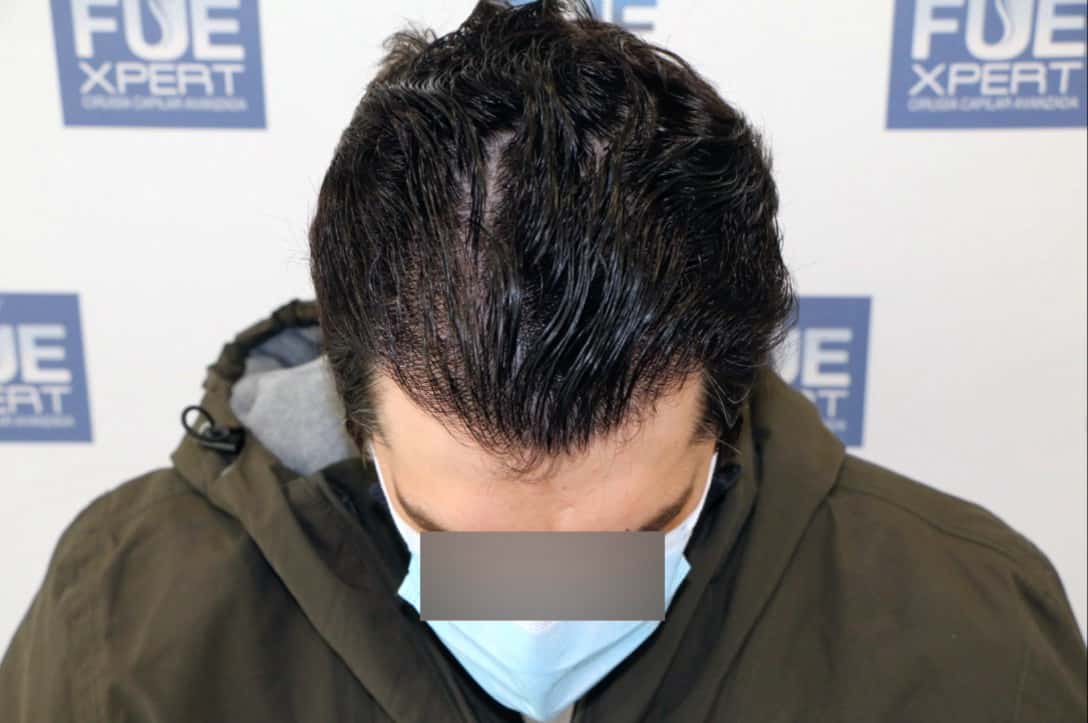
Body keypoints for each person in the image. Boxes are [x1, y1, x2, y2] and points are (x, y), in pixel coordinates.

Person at [2, 1, 1085, 721]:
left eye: (639, 534)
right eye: (461, 542)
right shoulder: (125, 632)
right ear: (354, 410)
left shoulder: (973, 637)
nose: (542, 611)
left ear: (727, 405)